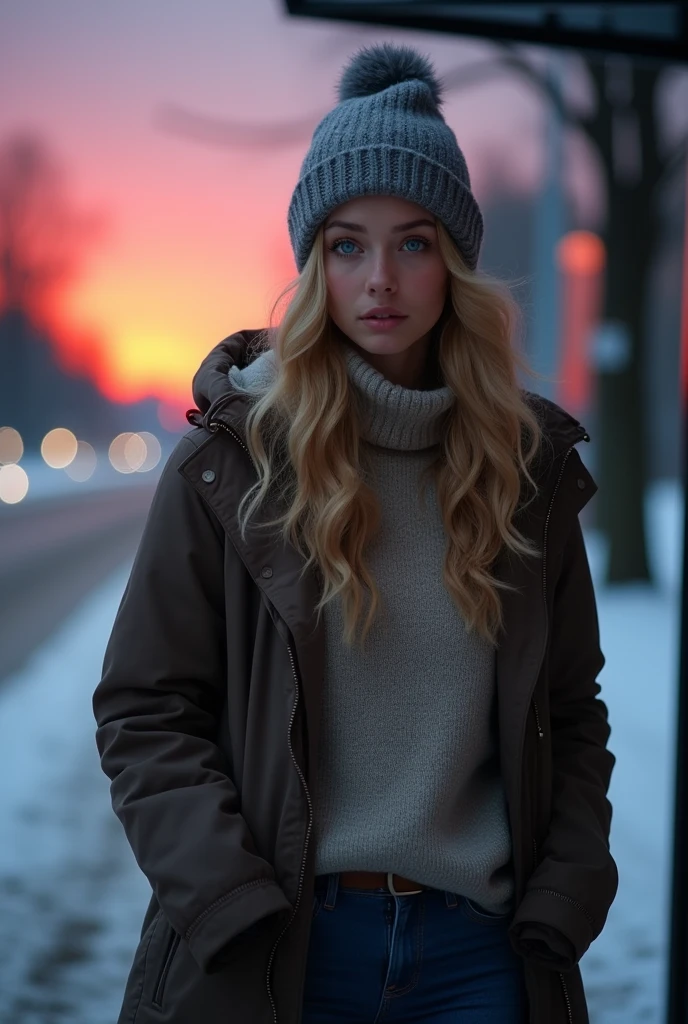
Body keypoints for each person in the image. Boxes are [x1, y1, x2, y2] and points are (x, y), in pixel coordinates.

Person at [92, 41, 618, 1024]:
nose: (380, 276)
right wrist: (228, 898)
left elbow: (571, 712)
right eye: (347, 243)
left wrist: (564, 894)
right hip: (282, 947)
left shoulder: (523, 474)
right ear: (314, 262)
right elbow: (144, 708)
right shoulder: (234, 465)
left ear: (453, 264)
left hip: (479, 957)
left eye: (413, 242)